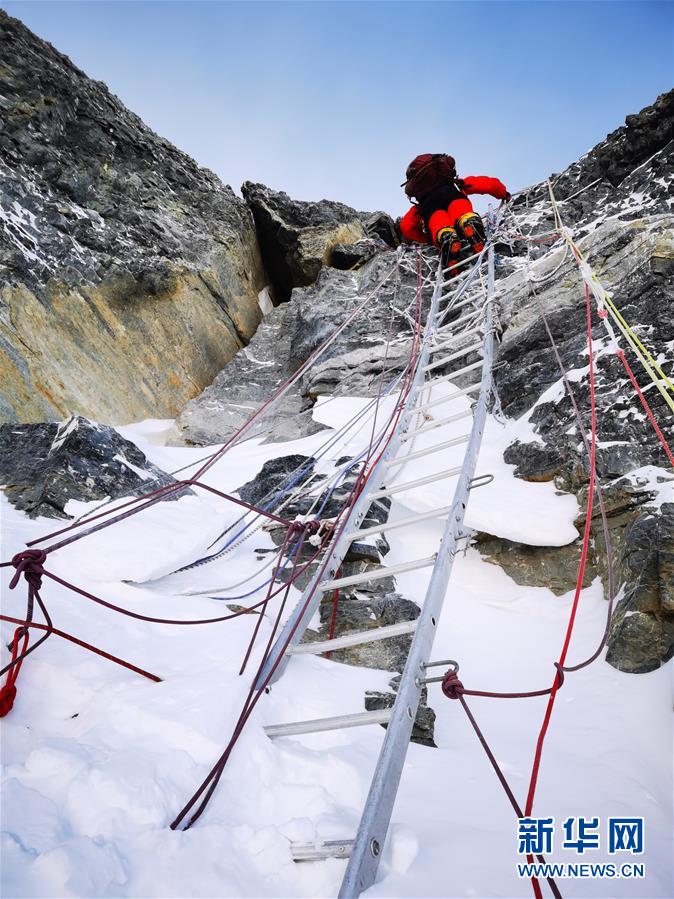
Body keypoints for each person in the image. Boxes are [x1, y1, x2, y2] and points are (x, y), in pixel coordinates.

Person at [398, 153, 511, 274]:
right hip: (454, 195)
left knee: (438, 222)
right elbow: (488, 184)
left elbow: (406, 226)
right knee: (460, 211)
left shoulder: (419, 207)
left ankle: (445, 235)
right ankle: (468, 221)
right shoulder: (457, 184)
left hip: (429, 207)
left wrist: (427, 239)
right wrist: (504, 194)